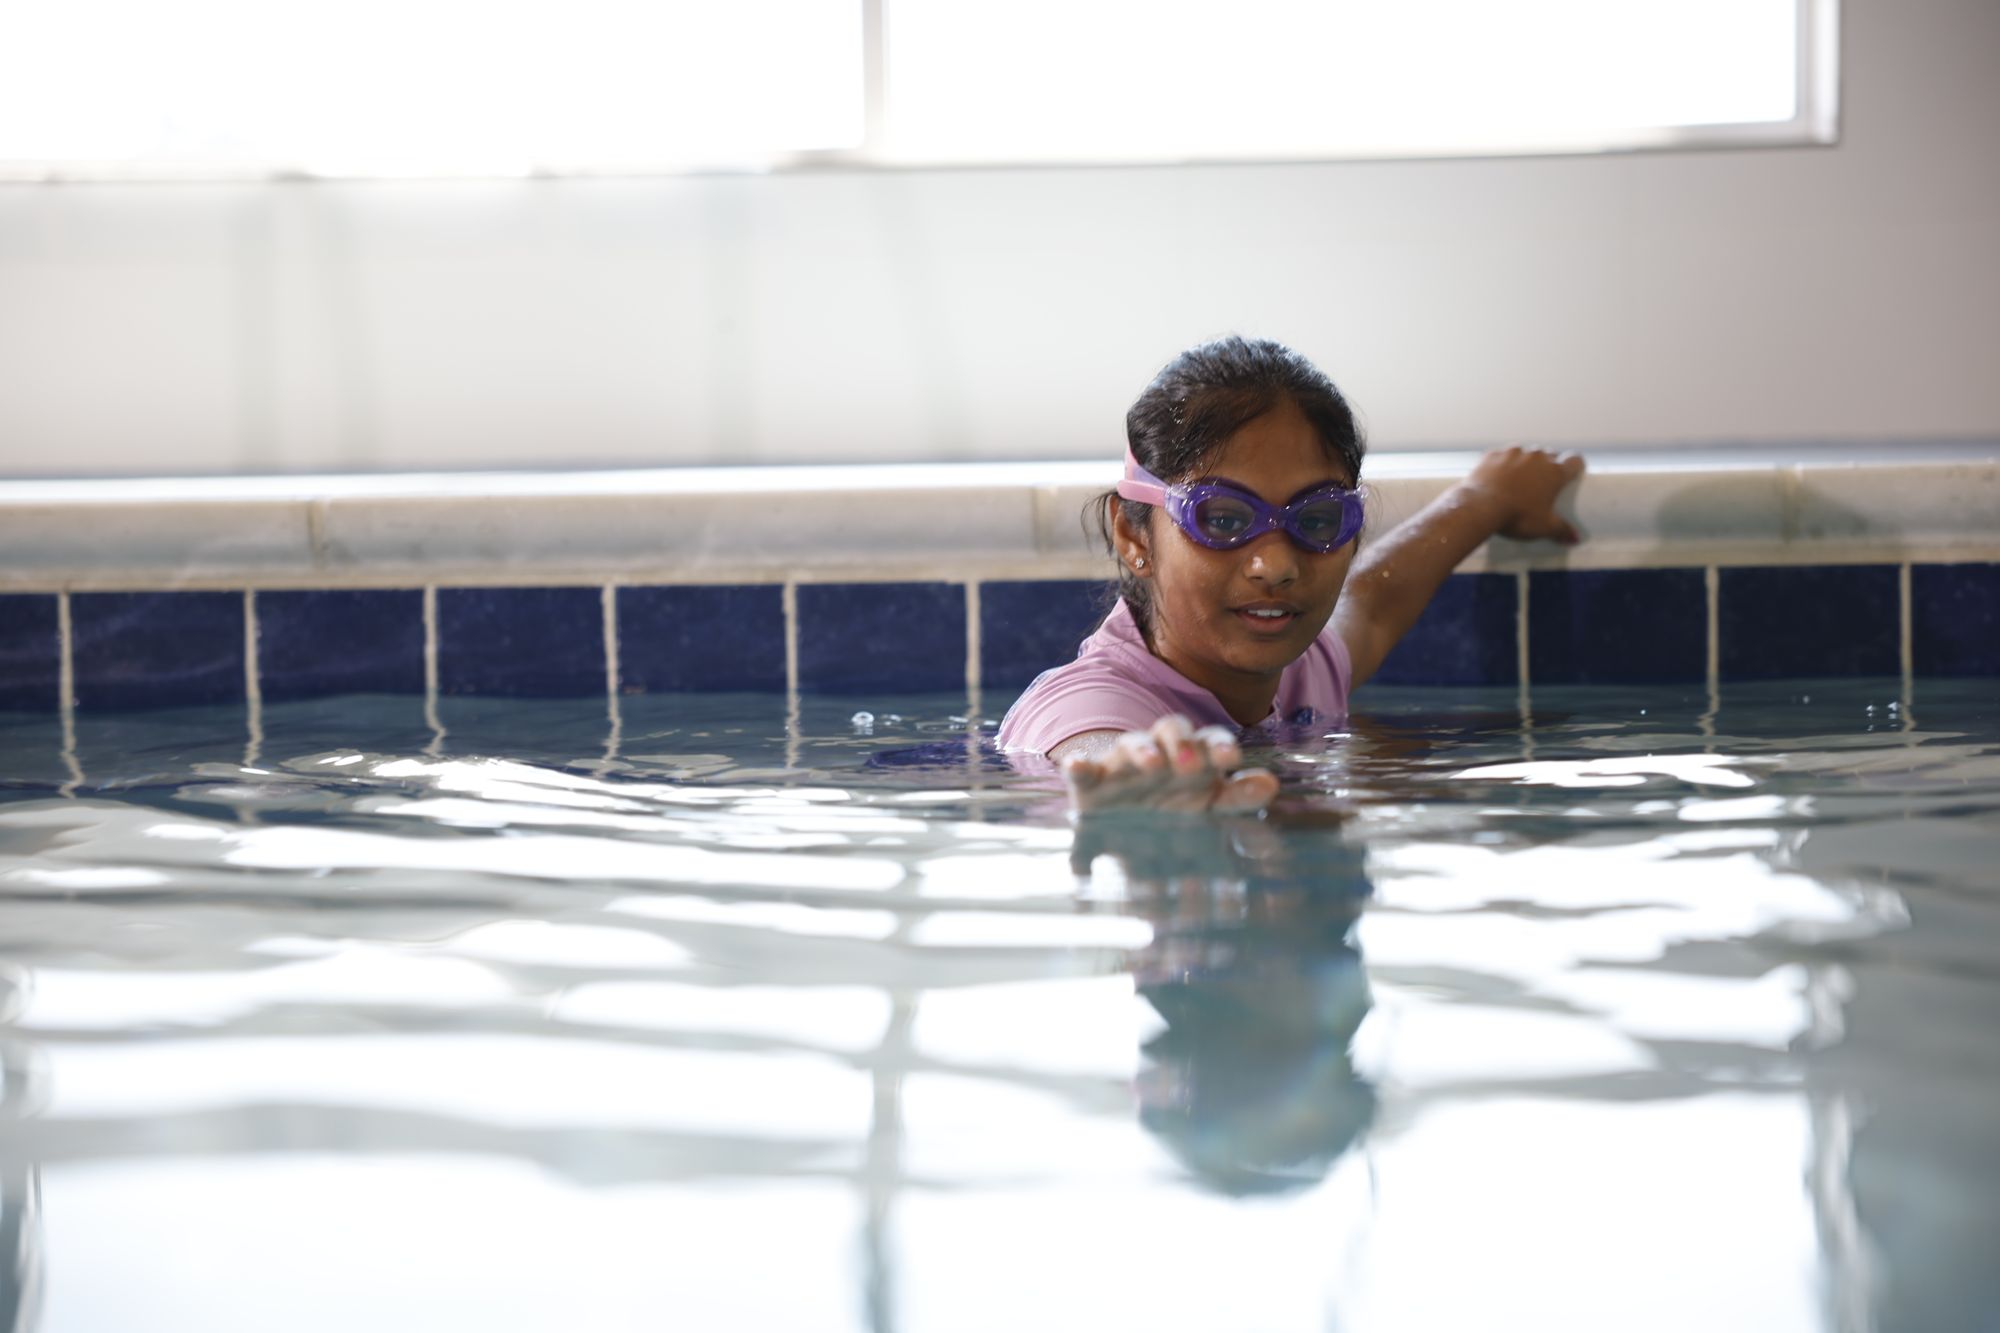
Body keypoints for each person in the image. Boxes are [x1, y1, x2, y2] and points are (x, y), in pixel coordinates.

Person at [995, 335, 1583, 811]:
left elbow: (1375, 605)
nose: (1275, 565)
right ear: (1133, 535)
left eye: (1319, 518)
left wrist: (1488, 495)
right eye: (1222, 519)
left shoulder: (1303, 670)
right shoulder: (1090, 704)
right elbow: (1092, 754)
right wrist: (1137, 786)